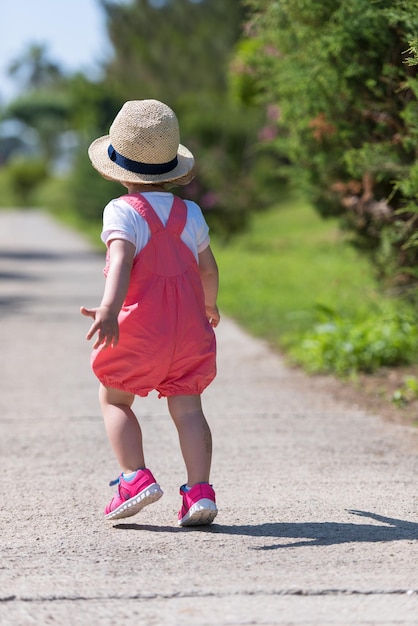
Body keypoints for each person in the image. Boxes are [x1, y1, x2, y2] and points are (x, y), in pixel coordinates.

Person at [81, 99, 220, 527]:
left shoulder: (121, 211)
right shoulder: (190, 212)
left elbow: (121, 261)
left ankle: (135, 478)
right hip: (189, 328)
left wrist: (107, 308)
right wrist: (209, 304)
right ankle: (199, 492)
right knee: (189, 409)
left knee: (115, 397)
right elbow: (209, 268)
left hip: (142, 328)